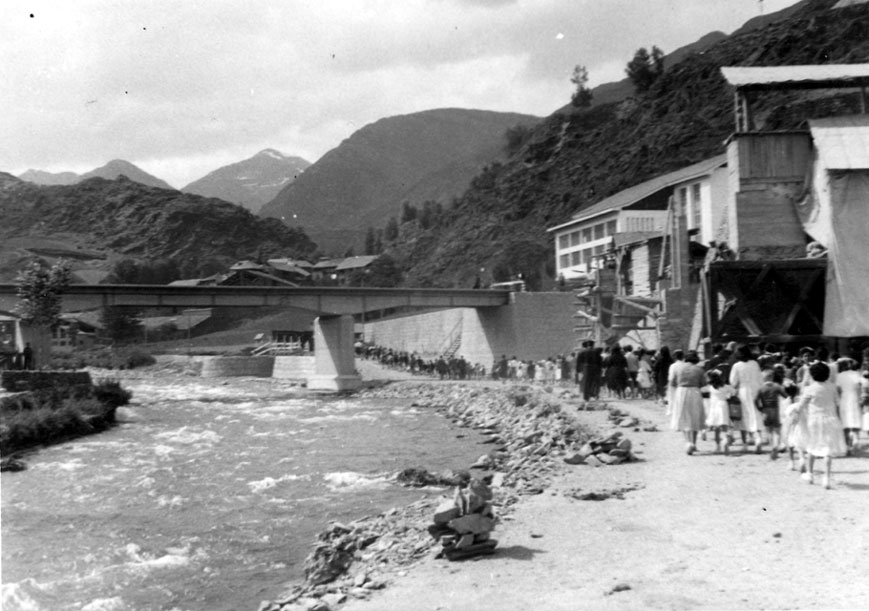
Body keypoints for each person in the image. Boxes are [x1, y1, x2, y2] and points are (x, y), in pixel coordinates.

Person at [796, 361, 847, 489]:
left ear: (812, 375)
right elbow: (837, 403)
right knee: (828, 450)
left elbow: (801, 405)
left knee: (812, 446)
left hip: (814, 421)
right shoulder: (832, 387)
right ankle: (827, 478)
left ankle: (810, 474)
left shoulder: (810, 389)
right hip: (831, 419)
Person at [669, 350, 706, 455]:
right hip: (695, 392)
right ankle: (694, 443)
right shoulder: (699, 369)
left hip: (681, 391)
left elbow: (672, 382)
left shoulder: (678, 368)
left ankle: (687, 442)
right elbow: (703, 383)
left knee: (684, 417)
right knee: (695, 416)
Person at [729, 345, 765, 453]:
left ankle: (745, 443)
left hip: (743, 391)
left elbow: (733, 382)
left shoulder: (737, 366)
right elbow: (760, 379)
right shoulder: (755, 364)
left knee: (744, 415)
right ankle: (758, 438)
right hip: (755, 390)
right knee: (755, 413)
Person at [756, 369, 787, 459]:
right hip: (775, 409)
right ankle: (776, 446)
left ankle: (772, 446)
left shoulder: (761, 388)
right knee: (777, 430)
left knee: (769, 431)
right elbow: (785, 396)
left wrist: (760, 409)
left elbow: (756, 400)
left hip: (765, 410)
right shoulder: (777, 386)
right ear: (772, 377)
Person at [836, 358, 863, 454]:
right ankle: (855, 436)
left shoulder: (839, 376)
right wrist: (860, 398)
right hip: (854, 396)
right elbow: (859, 387)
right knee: (855, 419)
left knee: (845, 421)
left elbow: (838, 390)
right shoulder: (856, 374)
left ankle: (848, 446)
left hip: (844, 398)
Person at [705, 369, 734, 454]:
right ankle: (725, 439)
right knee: (724, 426)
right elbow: (734, 392)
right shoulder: (725, 387)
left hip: (714, 407)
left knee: (716, 428)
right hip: (723, 405)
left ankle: (717, 446)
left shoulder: (710, 388)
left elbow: (702, 390)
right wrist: (729, 396)